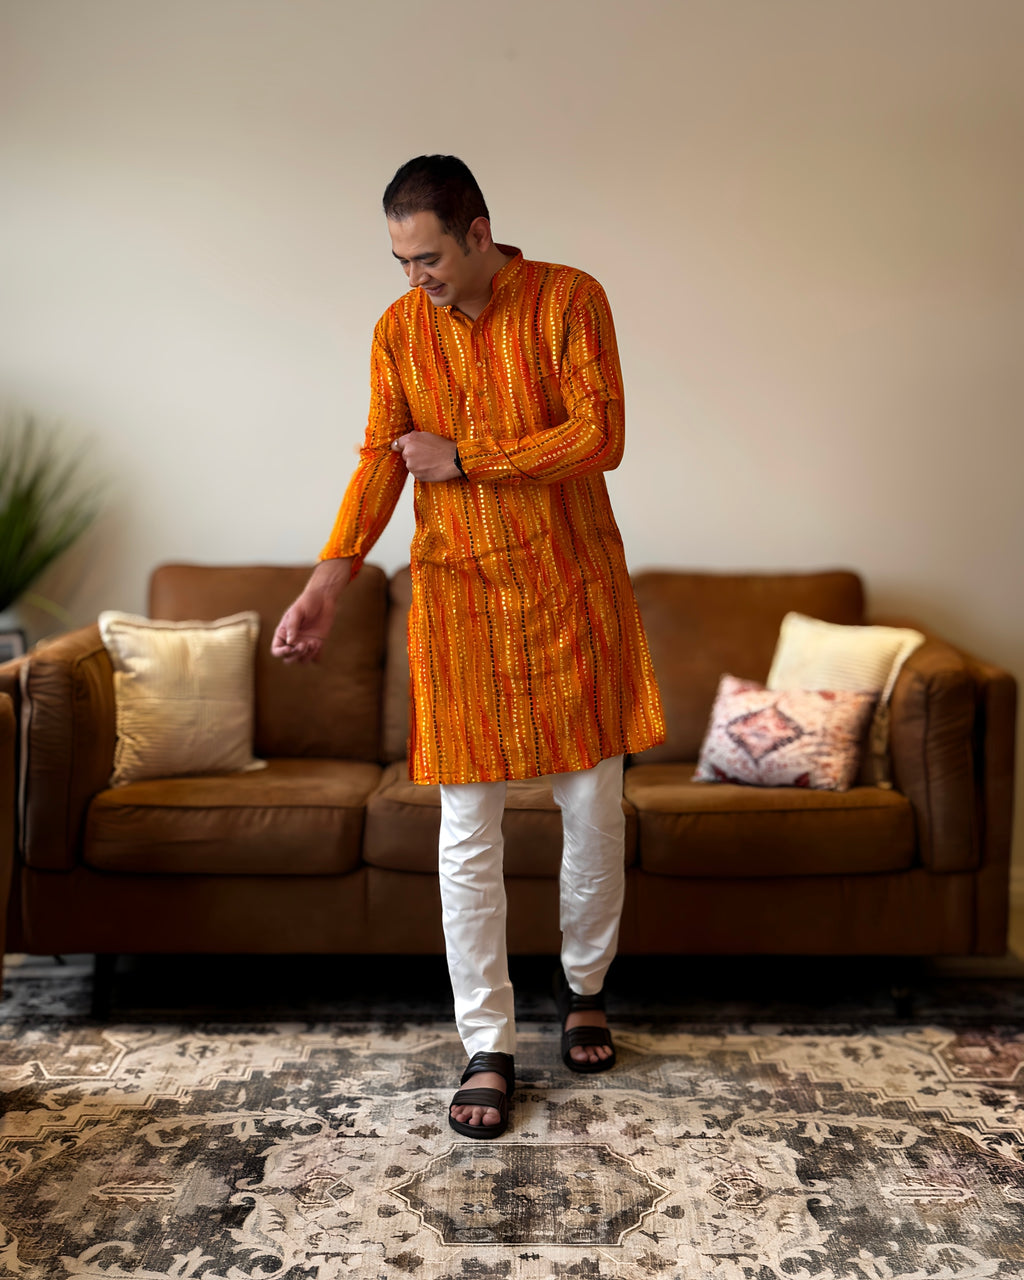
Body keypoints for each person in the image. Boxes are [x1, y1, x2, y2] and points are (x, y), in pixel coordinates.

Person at [272, 155, 664, 1140]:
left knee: (591, 812)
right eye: (401, 260)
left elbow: (600, 433)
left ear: (479, 233)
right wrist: (329, 579)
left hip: (573, 589)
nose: (416, 278)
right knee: (465, 832)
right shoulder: (397, 332)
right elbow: (378, 457)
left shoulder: (571, 300)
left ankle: (582, 987)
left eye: (430, 257)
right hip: (458, 599)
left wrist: (471, 457)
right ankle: (485, 1039)